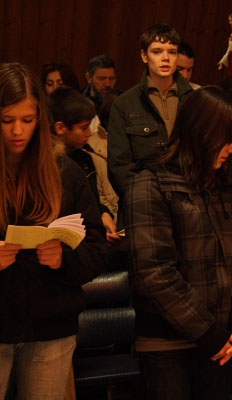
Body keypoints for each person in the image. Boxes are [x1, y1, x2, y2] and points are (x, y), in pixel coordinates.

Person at [124, 86, 232, 400]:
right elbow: (154, 273)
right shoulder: (150, 183)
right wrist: (208, 332)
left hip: (221, 339)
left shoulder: (225, 184)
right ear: (204, 134)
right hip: (167, 344)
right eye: (227, 141)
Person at [0, 62, 106, 399]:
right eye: (7, 120)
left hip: (50, 325)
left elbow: (96, 248)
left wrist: (64, 259)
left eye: (27, 120)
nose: (18, 130)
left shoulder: (64, 172)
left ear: (40, 119)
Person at [108, 23, 193, 200]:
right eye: (157, 51)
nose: (165, 58)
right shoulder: (125, 103)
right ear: (144, 56)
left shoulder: (194, 100)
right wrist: (143, 198)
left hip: (188, 198)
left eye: (172, 52)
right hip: (143, 199)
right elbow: (119, 166)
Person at [48, 87, 123, 248]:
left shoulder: (84, 157)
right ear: (60, 128)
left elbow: (91, 201)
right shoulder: (51, 165)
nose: (89, 133)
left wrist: (103, 213)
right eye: (83, 128)